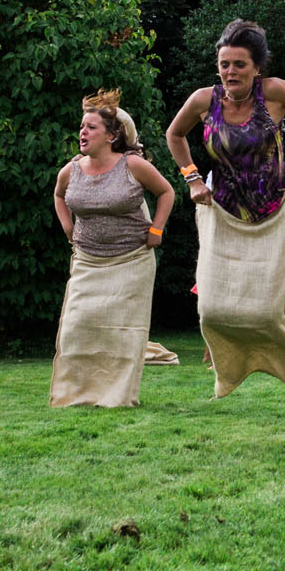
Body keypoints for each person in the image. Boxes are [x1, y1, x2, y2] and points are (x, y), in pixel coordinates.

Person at [165, 19, 285, 397]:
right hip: (223, 214)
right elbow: (174, 134)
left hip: (273, 212)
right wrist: (192, 178)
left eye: (239, 64)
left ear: (257, 67)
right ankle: (228, 370)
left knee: (267, 313)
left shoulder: (273, 93)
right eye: (224, 64)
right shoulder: (203, 100)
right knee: (211, 310)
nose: (230, 72)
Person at [50, 92, 177, 407]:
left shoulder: (132, 165)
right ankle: (75, 395)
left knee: (121, 333)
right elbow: (58, 195)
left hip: (131, 260)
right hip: (88, 261)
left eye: (91, 127)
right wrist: (68, 227)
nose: (83, 132)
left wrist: (156, 229)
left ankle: (116, 397)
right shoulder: (72, 170)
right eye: (82, 127)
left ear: (111, 135)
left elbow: (166, 192)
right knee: (75, 328)